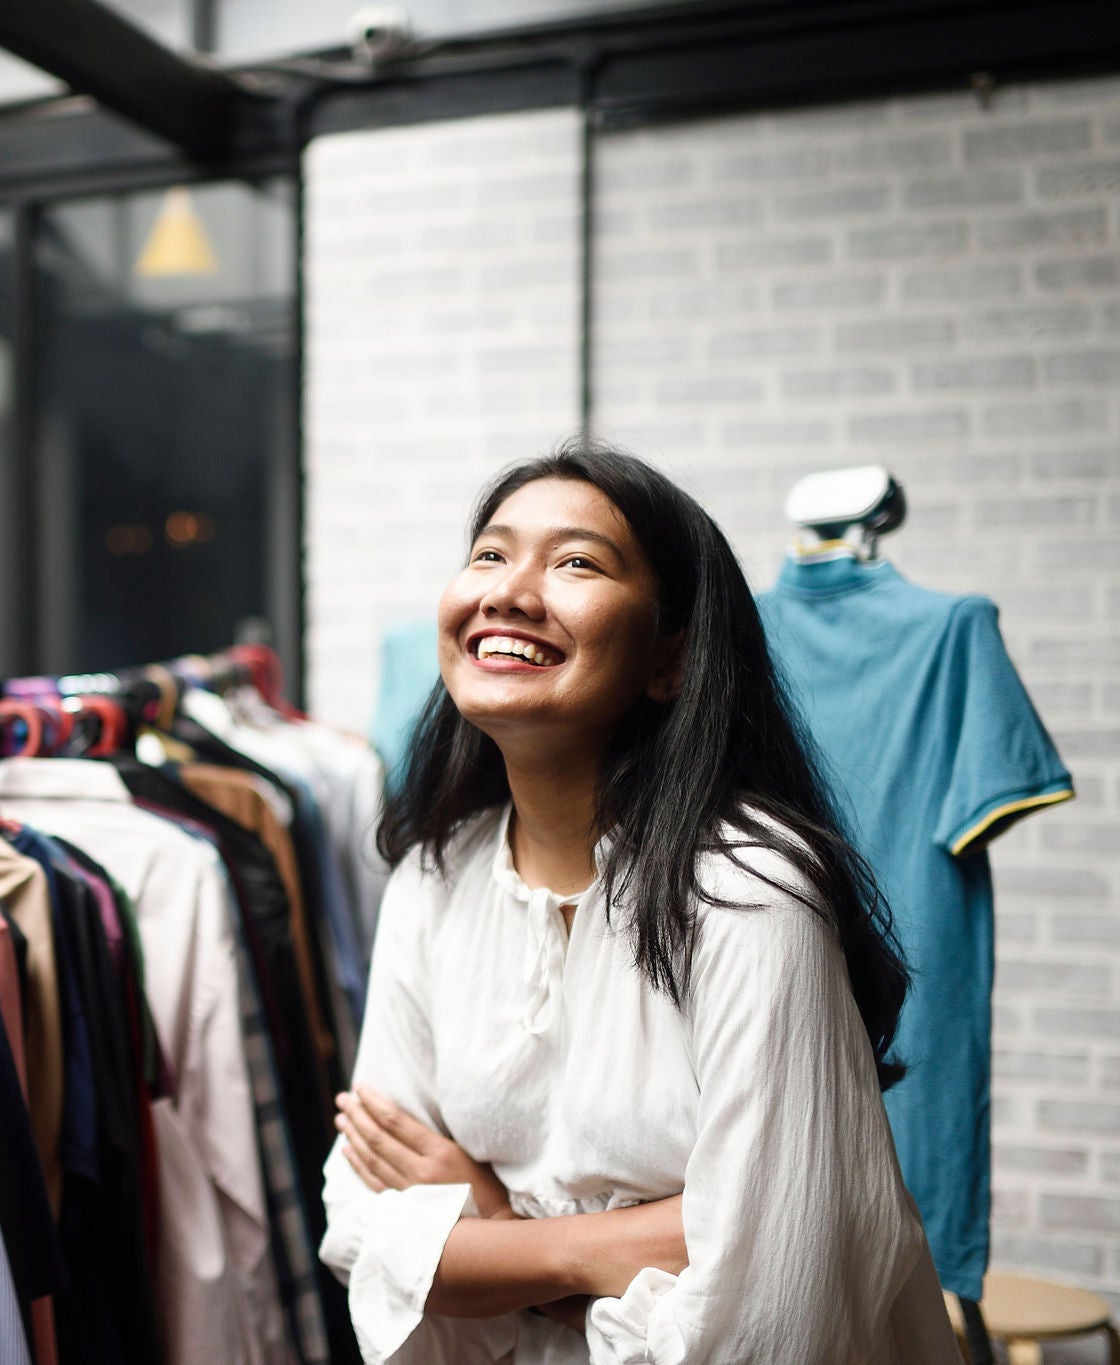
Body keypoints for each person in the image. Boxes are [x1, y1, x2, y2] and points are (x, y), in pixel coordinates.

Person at [319, 439, 961, 1364]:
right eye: (490, 554)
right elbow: (362, 1229)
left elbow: (771, 1309)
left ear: (671, 658)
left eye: (577, 562)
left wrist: (490, 1228)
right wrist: (608, 1247)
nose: (507, 590)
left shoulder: (748, 891)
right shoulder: (435, 873)